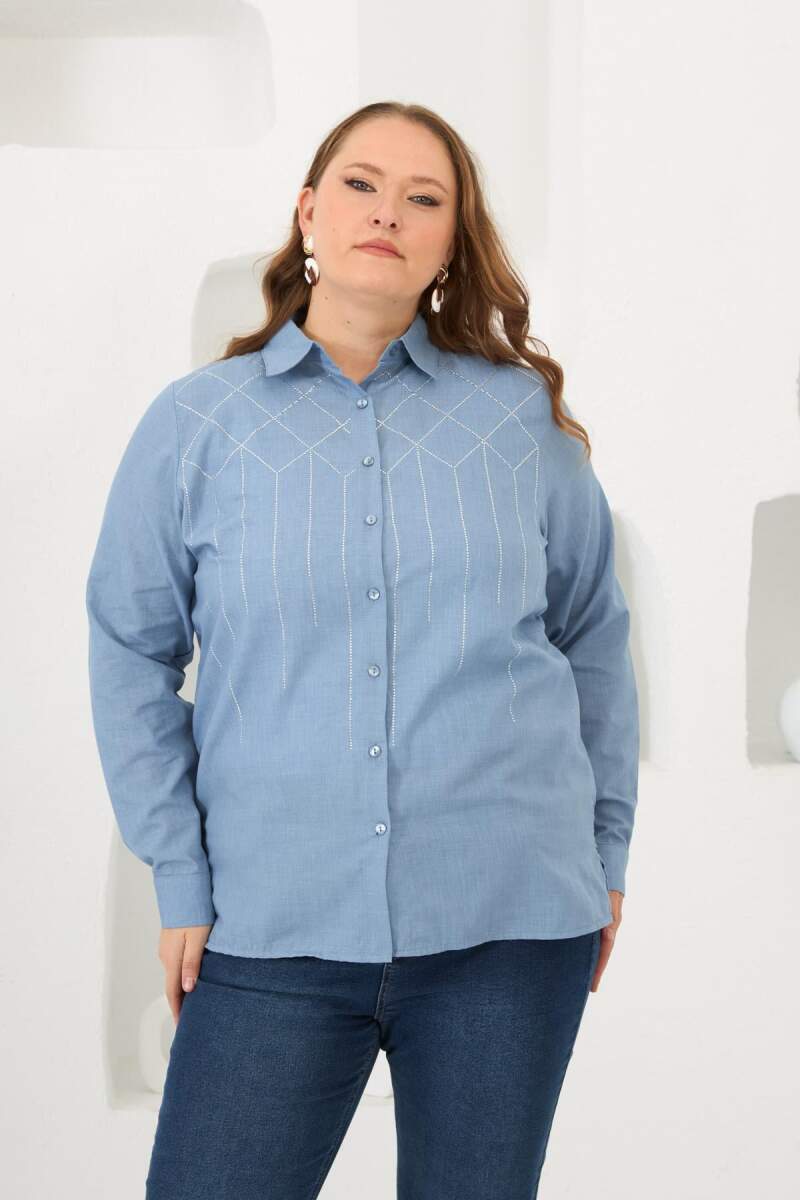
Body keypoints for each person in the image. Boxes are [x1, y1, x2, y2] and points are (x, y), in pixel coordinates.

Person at [85, 100, 639, 1200]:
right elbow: (128, 649)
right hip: (270, 927)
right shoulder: (198, 426)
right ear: (307, 213)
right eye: (360, 184)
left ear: (449, 246)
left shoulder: (517, 424)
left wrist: (605, 855)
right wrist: (180, 876)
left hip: (509, 928)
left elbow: (591, 637)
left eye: (423, 199)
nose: (387, 212)